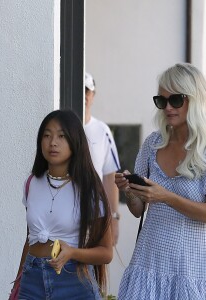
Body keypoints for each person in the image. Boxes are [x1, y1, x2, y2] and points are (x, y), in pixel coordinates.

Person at [115, 63, 206, 299]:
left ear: (195, 100)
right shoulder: (153, 144)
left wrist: (166, 196)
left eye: (176, 100)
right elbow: (138, 209)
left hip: (190, 268)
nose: (168, 107)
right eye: (162, 101)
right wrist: (129, 190)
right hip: (148, 262)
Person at [13, 110, 113, 299]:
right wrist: (17, 283)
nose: (53, 142)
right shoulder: (32, 183)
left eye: (61, 136)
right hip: (31, 281)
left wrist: (73, 253)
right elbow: (30, 239)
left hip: (73, 281)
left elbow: (106, 253)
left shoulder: (89, 188)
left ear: (75, 141)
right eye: (47, 135)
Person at [84, 72, 121, 245]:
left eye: (87, 90)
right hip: (65, 219)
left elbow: (109, 176)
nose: (83, 95)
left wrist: (113, 218)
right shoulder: (62, 129)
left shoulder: (102, 130)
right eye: (80, 89)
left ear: (93, 95)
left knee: (95, 269)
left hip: (95, 218)